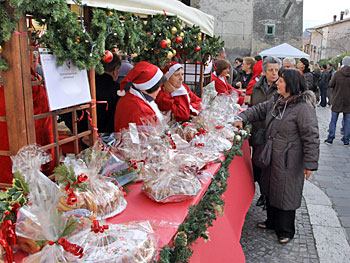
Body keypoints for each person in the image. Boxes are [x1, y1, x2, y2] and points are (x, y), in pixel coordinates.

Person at [234, 68, 319, 244]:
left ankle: (285, 230)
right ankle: (271, 222)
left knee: (286, 192)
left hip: (290, 158)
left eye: (281, 80)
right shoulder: (277, 100)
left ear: (290, 84)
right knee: (271, 189)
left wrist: (310, 164)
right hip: (272, 154)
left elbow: (311, 137)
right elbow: (257, 110)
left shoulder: (303, 108)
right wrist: (242, 117)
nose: (277, 83)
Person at [249, 56, 281, 208]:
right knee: (257, 164)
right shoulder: (257, 86)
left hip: (272, 135)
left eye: (276, 70)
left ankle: (267, 197)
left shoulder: (281, 88)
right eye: (270, 70)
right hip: (257, 132)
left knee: (269, 169)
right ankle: (260, 193)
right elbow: (252, 107)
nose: (274, 73)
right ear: (264, 71)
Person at [114, 61, 166, 132]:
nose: (160, 89)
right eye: (158, 87)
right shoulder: (142, 110)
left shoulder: (129, 96)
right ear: (149, 87)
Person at [324, 56, 350, 146]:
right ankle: (346, 139)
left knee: (333, 120)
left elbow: (331, 84)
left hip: (337, 99)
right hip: (348, 101)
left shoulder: (337, 74)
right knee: (347, 121)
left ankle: (331, 137)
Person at [95, 52, 121, 134]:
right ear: (116, 70)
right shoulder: (116, 89)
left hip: (86, 133)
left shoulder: (89, 84)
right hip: (106, 135)